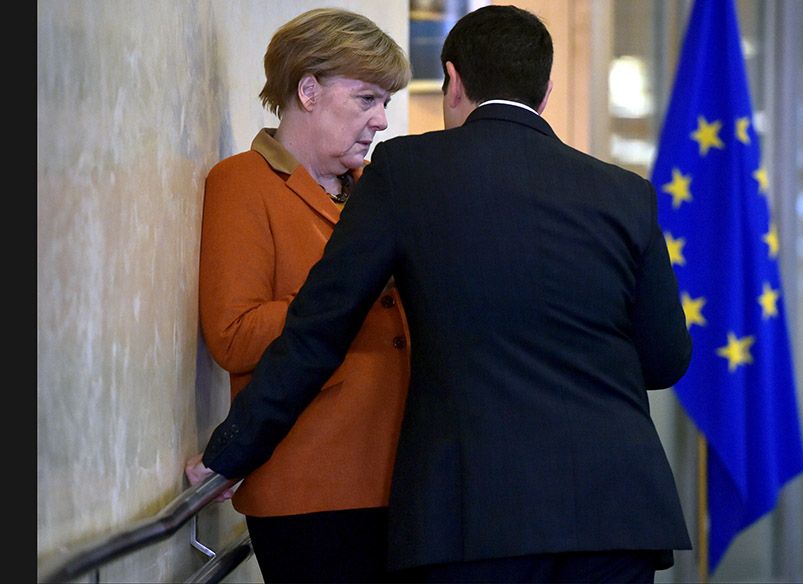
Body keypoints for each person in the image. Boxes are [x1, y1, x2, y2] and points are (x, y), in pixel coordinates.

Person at [190, 5, 693, 582]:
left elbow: (316, 331)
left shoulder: (408, 173)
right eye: (367, 100)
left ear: (452, 81)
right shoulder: (626, 192)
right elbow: (667, 357)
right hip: (620, 508)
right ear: (547, 91)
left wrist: (226, 456)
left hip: (475, 512)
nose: (381, 120)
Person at [185, 8, 411, 583]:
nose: (382, 120)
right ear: (308, 90)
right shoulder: (243, 183)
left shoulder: (377, 194)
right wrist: (345, 300)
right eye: (366, 99)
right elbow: (234, 336)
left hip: (402, 478)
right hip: (311, 485)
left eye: (385, 102)